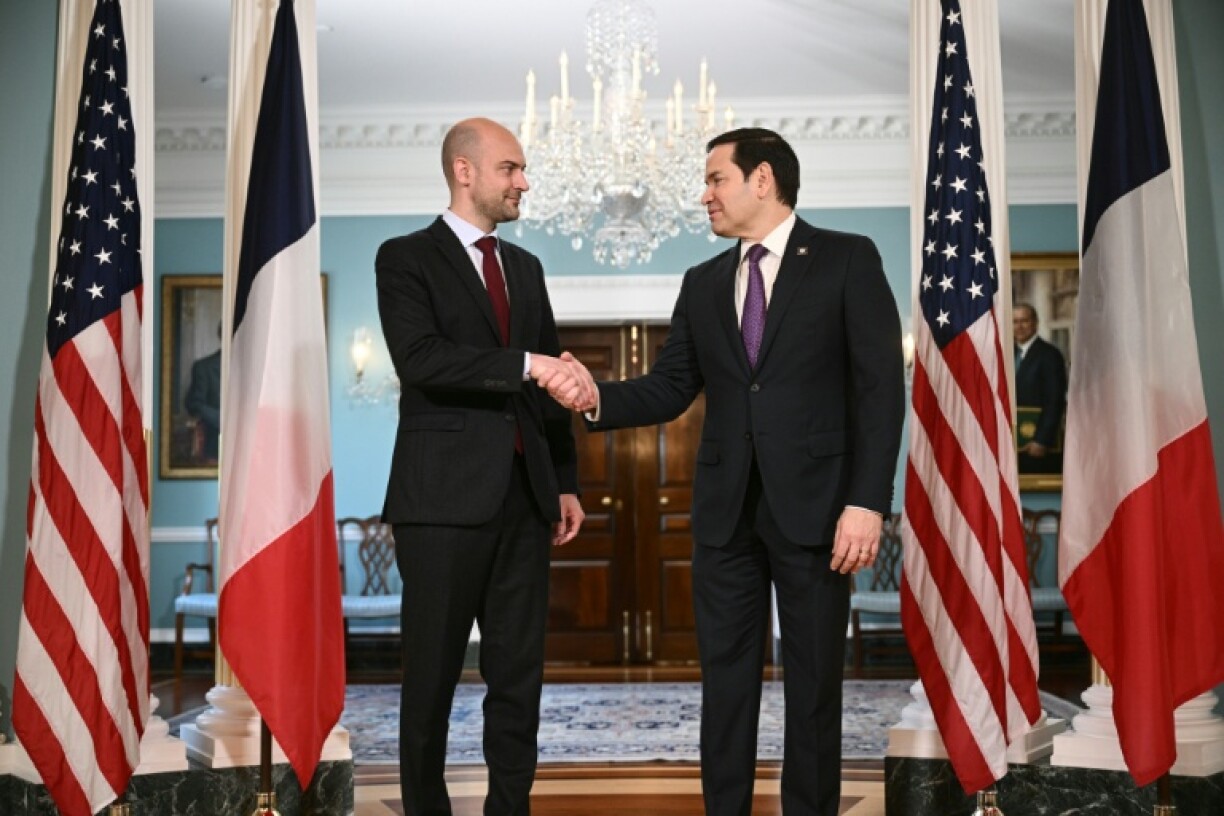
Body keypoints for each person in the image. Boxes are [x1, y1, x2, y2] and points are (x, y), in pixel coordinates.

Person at [550, 127, 905, 816]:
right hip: (723, 517)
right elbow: (670, 386)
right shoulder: (703, 281)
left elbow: (880, 390)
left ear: (762, 179)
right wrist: (595, 395)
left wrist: (867, 502)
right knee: (726, 686)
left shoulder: (846, 259)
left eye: (716, 179)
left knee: (812, 688)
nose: (704, 194)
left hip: (820, 514)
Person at [375, 117, 594, 816]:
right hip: (439, 503)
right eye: (511, 168)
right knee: (432, 678)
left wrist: (564, 482)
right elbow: (423, 360)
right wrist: (525, 365)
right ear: (464, 171)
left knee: (517, 678)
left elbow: (554, 380)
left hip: (526, 504)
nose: (523, 182)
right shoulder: (404, 257)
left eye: (522, 169)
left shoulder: (524, 268)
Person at [1013, 302, 1067, 474]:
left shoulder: (1050, 355)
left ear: (1035, 323)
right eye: (1015, 321)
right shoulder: (1007, 352)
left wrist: (1041, 440)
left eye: (1024, 321)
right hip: (1012, 442)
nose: (1019, 327)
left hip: (1036, 445)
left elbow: (1055, 400)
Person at [184, 324, 222, 462]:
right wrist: (222, 419)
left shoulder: (255, 368)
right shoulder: (204, 367)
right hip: (214, 443)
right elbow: (194, 404)